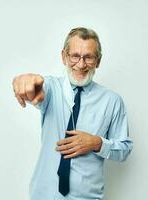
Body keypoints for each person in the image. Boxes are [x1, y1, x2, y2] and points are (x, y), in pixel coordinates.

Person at [12, 27, 133, 200]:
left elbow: (125, 149)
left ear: (98, 61)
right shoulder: (51, 88)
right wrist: (25, 84)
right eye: (75, 56)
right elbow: (36, 89)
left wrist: (97, 143)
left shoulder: (112, 101)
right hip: (43, 195)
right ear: (64, 57)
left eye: (88, 57)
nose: (81, 64)